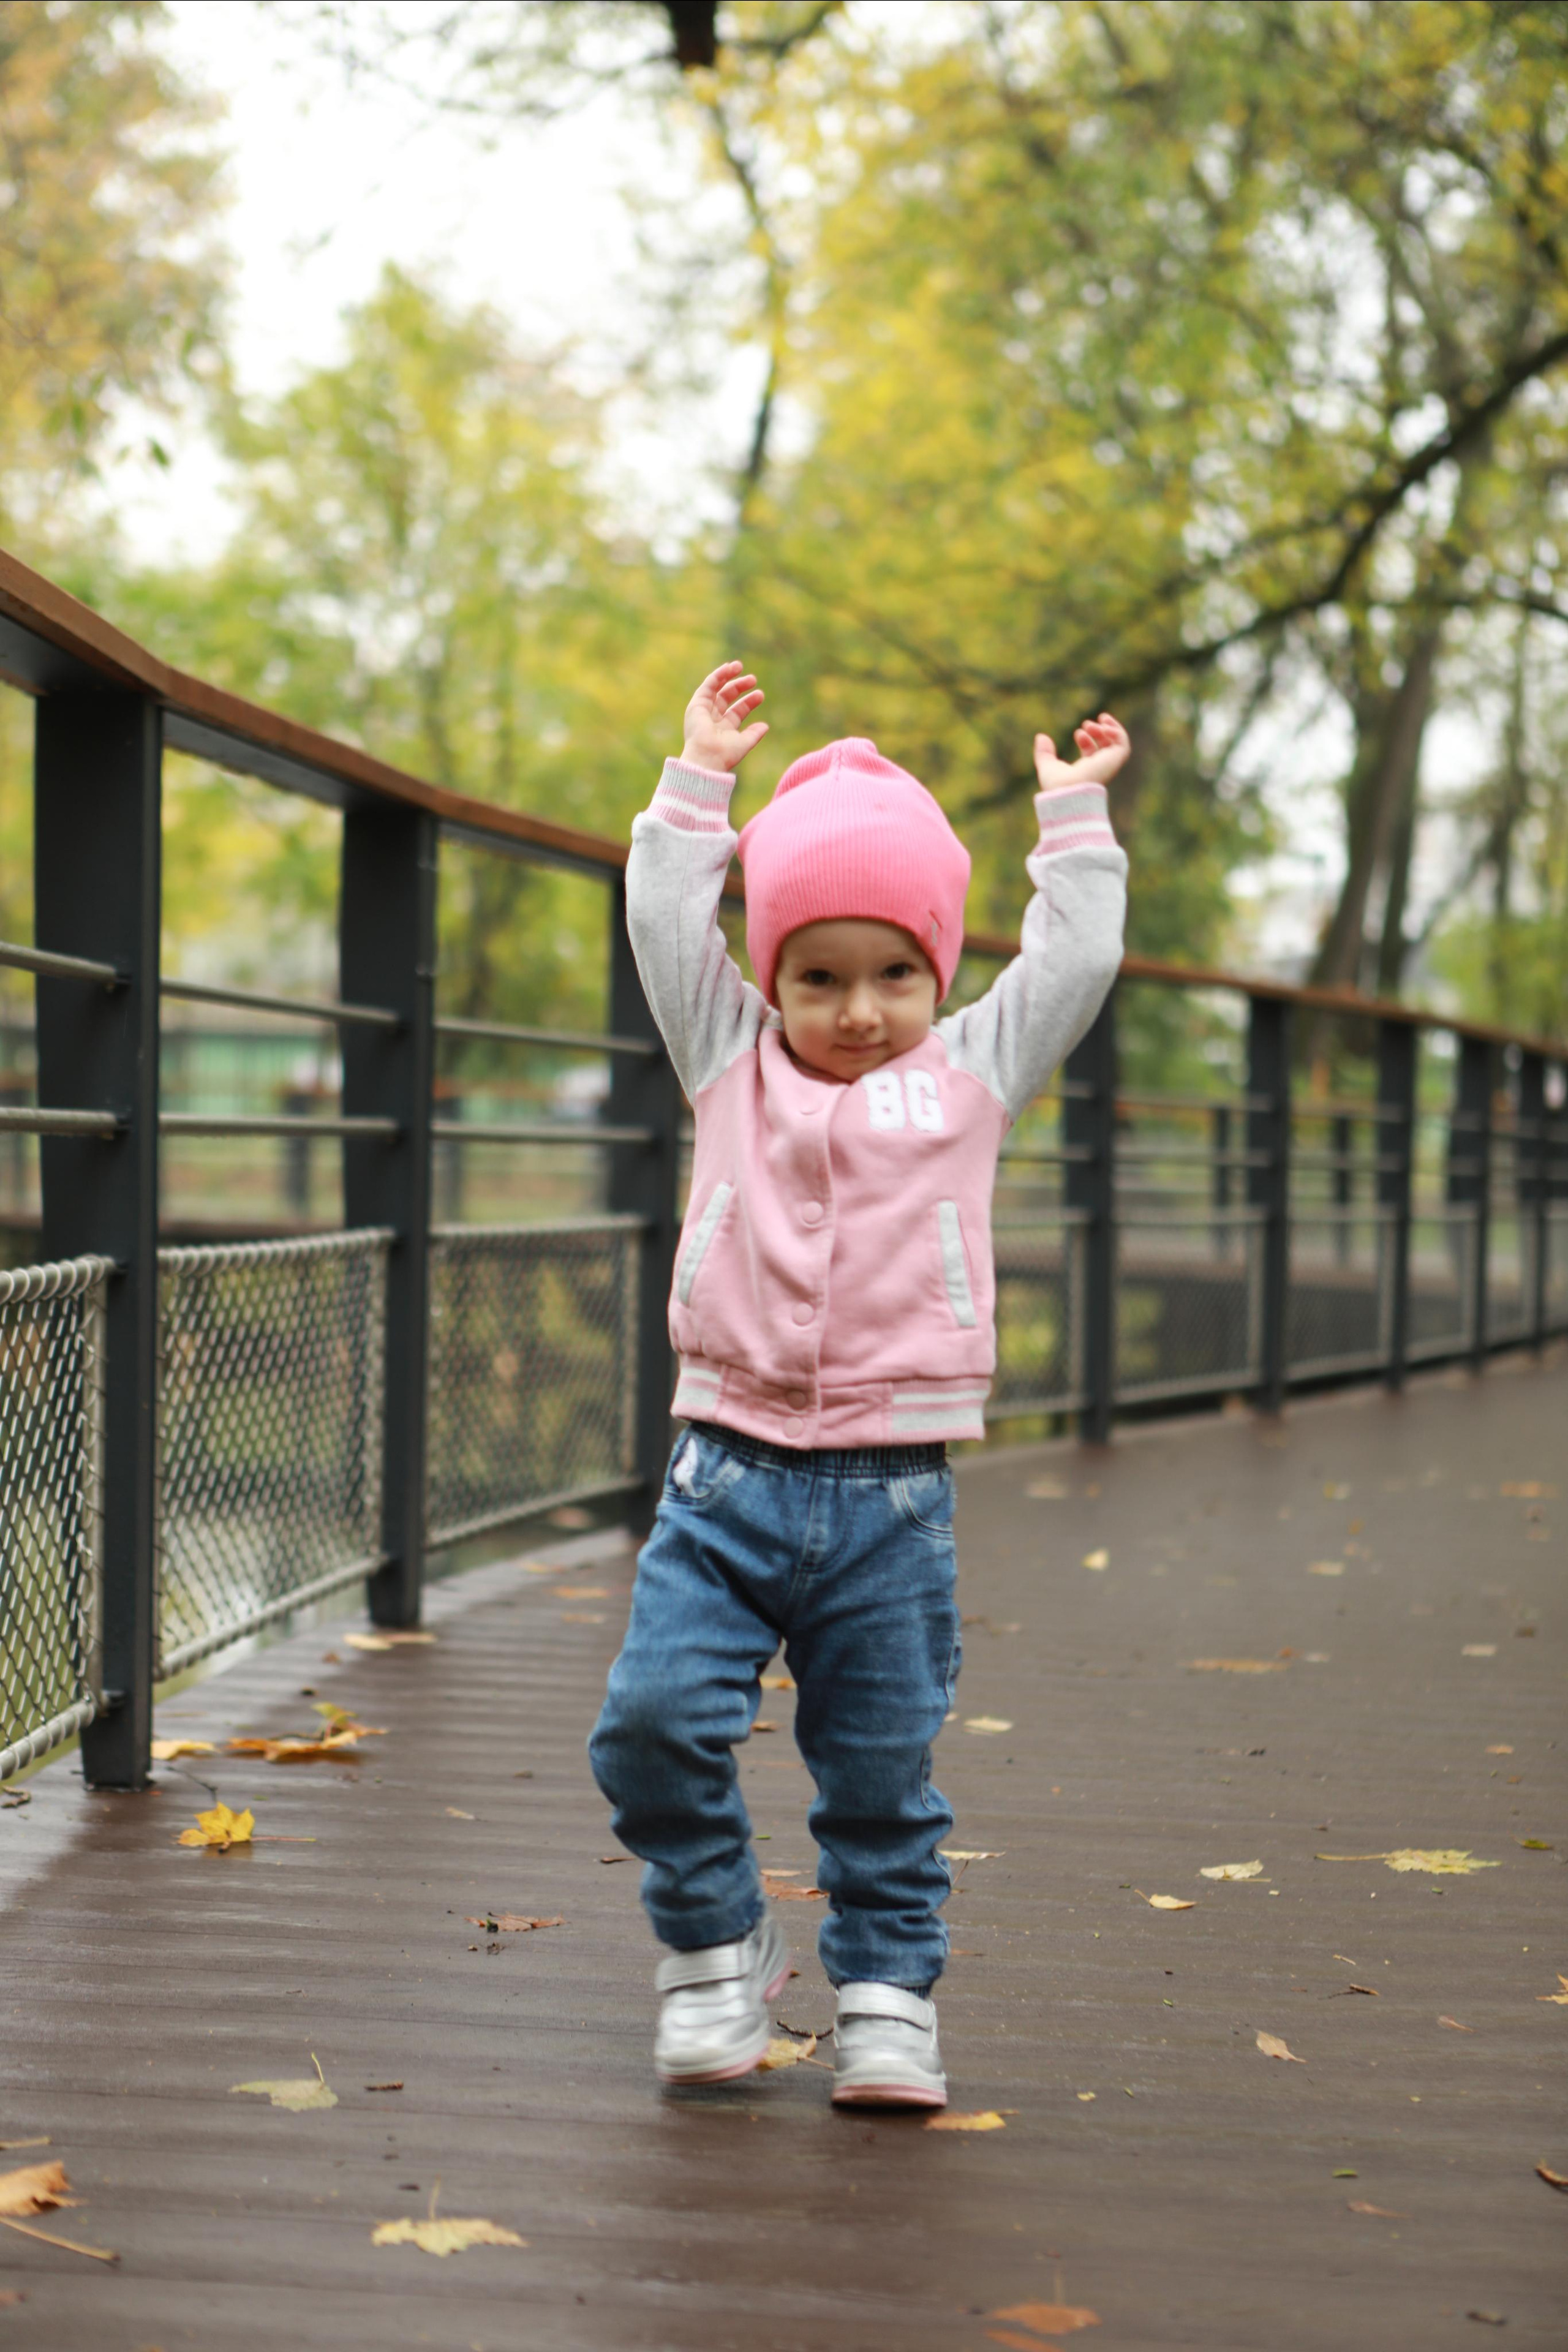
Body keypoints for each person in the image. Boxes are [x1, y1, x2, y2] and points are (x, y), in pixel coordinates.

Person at [589, 663, 1128, 2106]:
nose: (856, 1010)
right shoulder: (727, 1062)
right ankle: (713, 1945)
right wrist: (697, 785)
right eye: (816, 977)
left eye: (895, 974)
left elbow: (1068, 969)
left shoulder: (967, 1076)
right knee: (646, 1728)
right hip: (722, 1469)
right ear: (766, 977)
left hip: (891, 1496)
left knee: (879, 1775)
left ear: (938, 976)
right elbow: (659, 923)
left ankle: (888, 1997)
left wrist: (1070, 823)